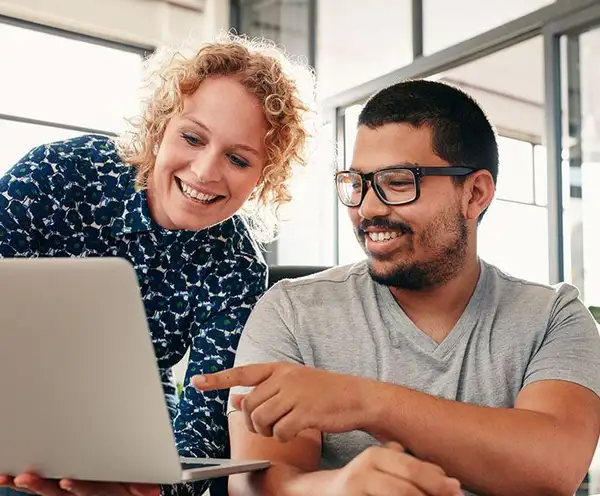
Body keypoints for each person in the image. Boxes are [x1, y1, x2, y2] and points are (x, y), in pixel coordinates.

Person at [193, 79, 600, 496]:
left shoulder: (554, 316)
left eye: (399, 182)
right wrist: (337, 488)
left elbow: (553, 468)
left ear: (475, 194)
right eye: (357, 183)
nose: (368, 208)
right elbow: (256, 484)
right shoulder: (290, 311)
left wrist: (366, 402)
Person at [0, 33, 313, 496]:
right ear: (160, 127)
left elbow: (204, 418)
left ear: (264, 176)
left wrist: (150, 491)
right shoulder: (58, 173)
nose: (206, 171)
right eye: (192, 137)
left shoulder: (239, 267)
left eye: (238, 158)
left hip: (132, 412)